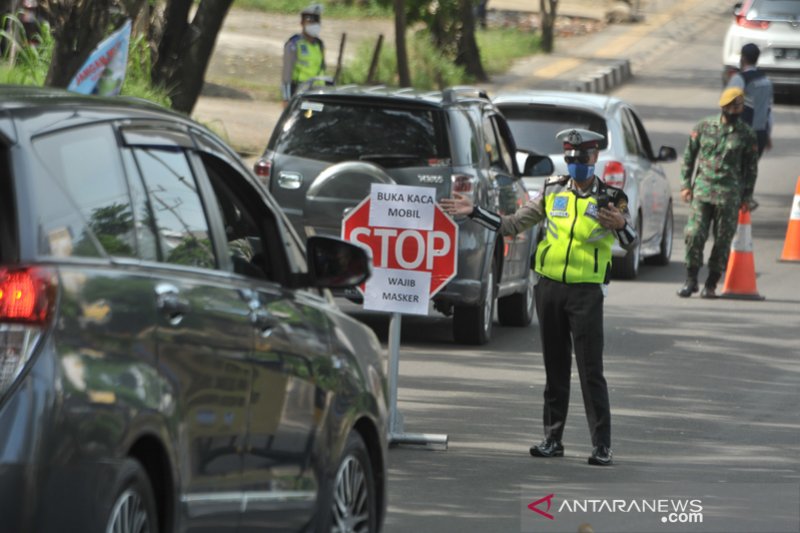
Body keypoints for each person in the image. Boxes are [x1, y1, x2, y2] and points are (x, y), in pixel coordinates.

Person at [441, 128, 638, 467]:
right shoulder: (552, 190)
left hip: (587, 292)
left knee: (591, 370)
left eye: (584, 158)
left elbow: (631, 239)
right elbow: (512, 225)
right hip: (549, 288)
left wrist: (620, 223)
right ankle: (552, 439)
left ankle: (602, 445)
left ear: (594, 159)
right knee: (554, 367)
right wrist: (474, 211)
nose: (577, 164)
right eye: (572, 158)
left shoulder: (611, 197)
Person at [677, 87, 758, 299]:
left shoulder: (746, 134)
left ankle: (711, 284)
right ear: (723, 107)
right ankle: (691, 280)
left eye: (739, 106)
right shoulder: (704, 127)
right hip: (702, 192)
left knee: (722, 241)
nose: (735, 110)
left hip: (729, 196)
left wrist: (747, 197)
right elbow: (689, 156)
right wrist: (686, 185)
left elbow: (751, 169)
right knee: (694, 234)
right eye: (732, 106)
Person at [726, 42, 773, 211]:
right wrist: (767, 134)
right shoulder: (766, 81)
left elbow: (729, 105)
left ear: (743, 58)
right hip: (760, 132)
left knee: (736, 165)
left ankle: (736, 200)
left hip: (741, 132)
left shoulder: (740, 79)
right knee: (750, 167)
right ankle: (746, 198)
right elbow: (768, 110)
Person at [281, 4, 325, 108]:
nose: (314, 24)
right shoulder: (294, 44)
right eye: (309, 21)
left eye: (316, 21)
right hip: (300, 93)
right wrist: (286, 98)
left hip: (318, 92)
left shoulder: (319, 44)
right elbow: (286, 74)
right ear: (302, 23)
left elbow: (322, 68)